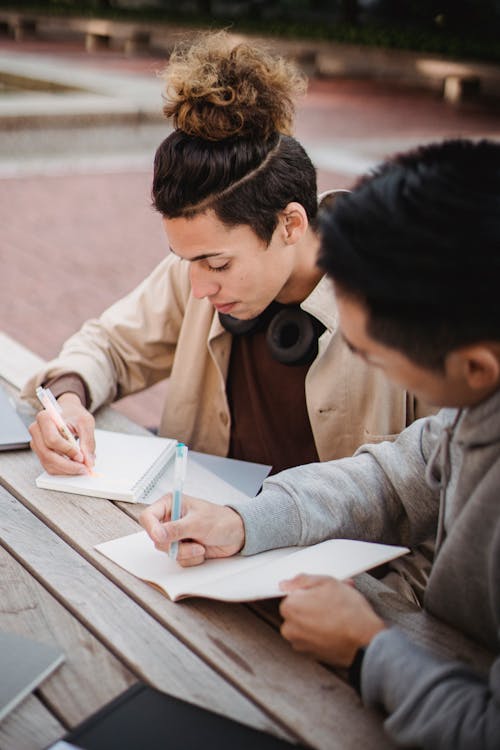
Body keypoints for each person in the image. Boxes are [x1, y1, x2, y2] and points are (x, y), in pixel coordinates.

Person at [139, 138, 500, 749]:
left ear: (473, 369)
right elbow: (390, 476)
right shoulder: (473, 412)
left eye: (371, 354)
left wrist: (368, 649)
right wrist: (244, 521)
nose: (349, 355)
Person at [24, 31, 427, 482]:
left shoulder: (410, 300)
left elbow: (439, 490)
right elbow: (108, 346)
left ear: (291, 224)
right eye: (185, 260)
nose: (198, 287)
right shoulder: (193, 274)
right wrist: (68, 401)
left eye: (218, 265)